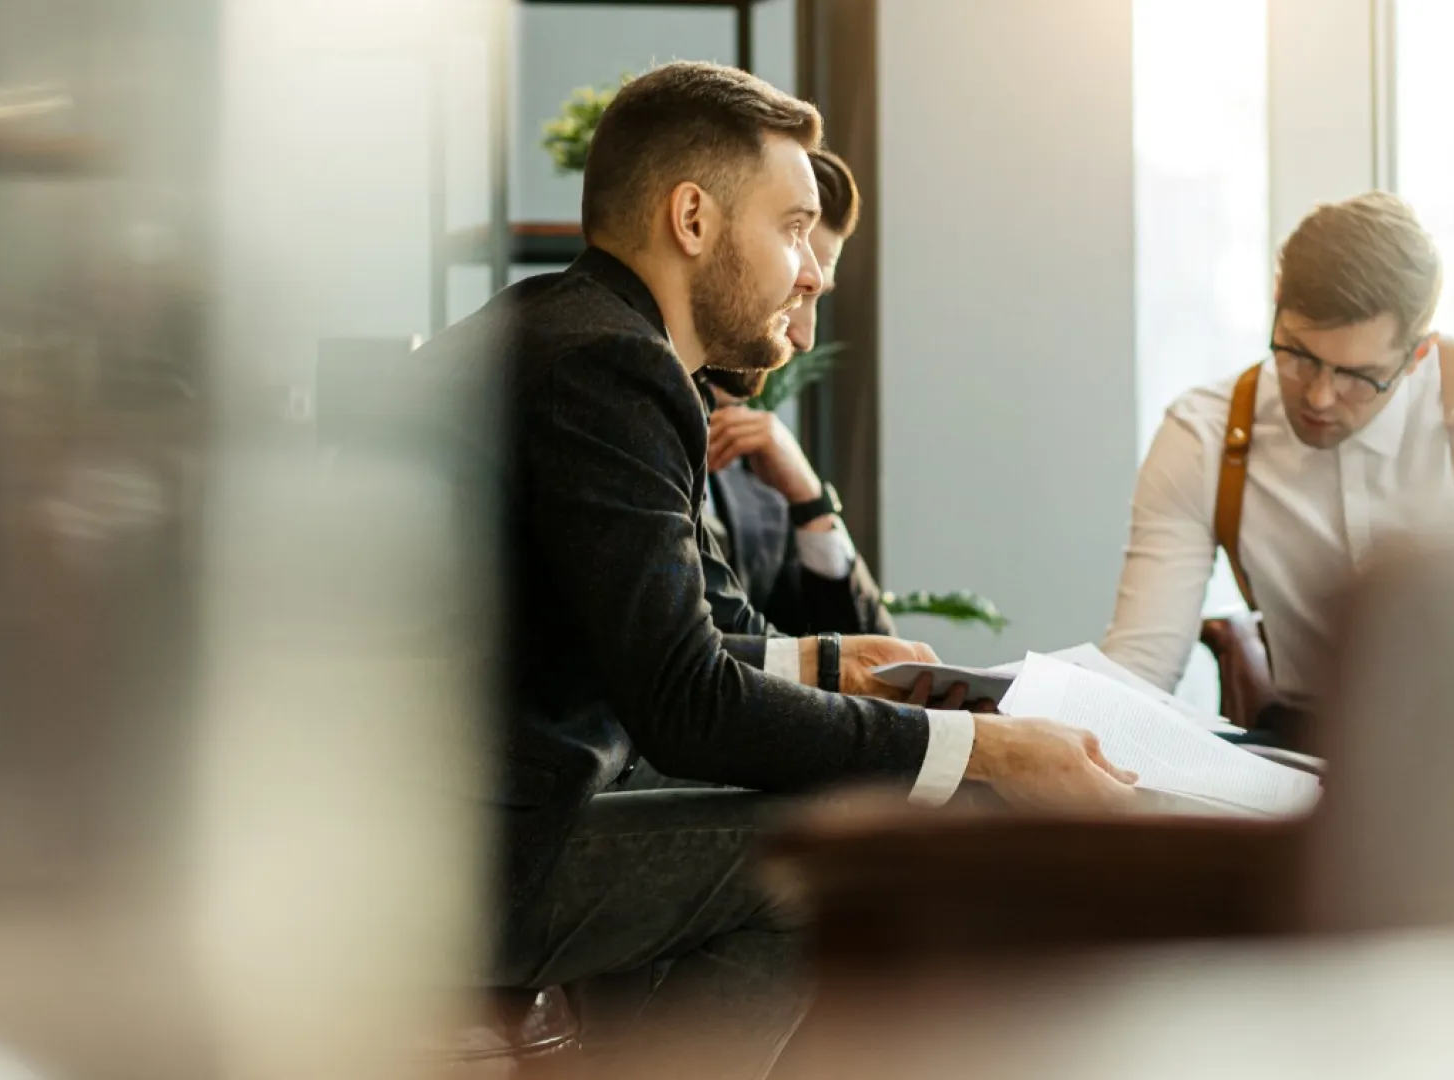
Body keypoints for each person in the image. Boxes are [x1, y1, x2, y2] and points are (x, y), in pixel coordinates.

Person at [418, 61, 1136, 1079]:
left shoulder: (565, 328)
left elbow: (655, 645)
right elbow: (684, 701)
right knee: (851, 851)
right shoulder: (608, 367)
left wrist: (829, 660)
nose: (817, 271)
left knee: (881, 799)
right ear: (694, 219)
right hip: (457, 871)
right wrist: (990, 752)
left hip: (452, 828)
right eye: (796, 226)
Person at [1101, 191, 1454, 740]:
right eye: (1299, 356)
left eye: (1359, 375)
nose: (1321, 398)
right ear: (1277, 301)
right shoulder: (1205, 433)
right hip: (1302, 756)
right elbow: (1139, 669)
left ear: (1417, 353)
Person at [696, 148, 895, 638]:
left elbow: (865, 651)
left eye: (816, 296)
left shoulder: (757, 479)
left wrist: (809, 500)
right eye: (797, 290)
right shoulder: (616, 418)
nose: (803, 337)